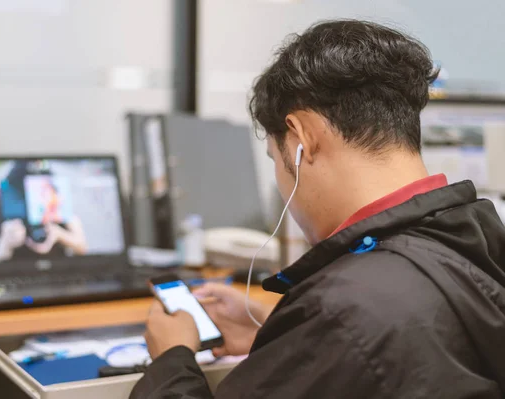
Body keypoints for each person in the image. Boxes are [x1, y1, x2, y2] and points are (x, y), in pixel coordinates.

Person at [130, 20, 505, 398]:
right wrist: (289, 342)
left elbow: (361, 338)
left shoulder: (344, 310)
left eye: (274, 158)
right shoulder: (471, 240)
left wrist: (171, 359)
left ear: (301, 136)